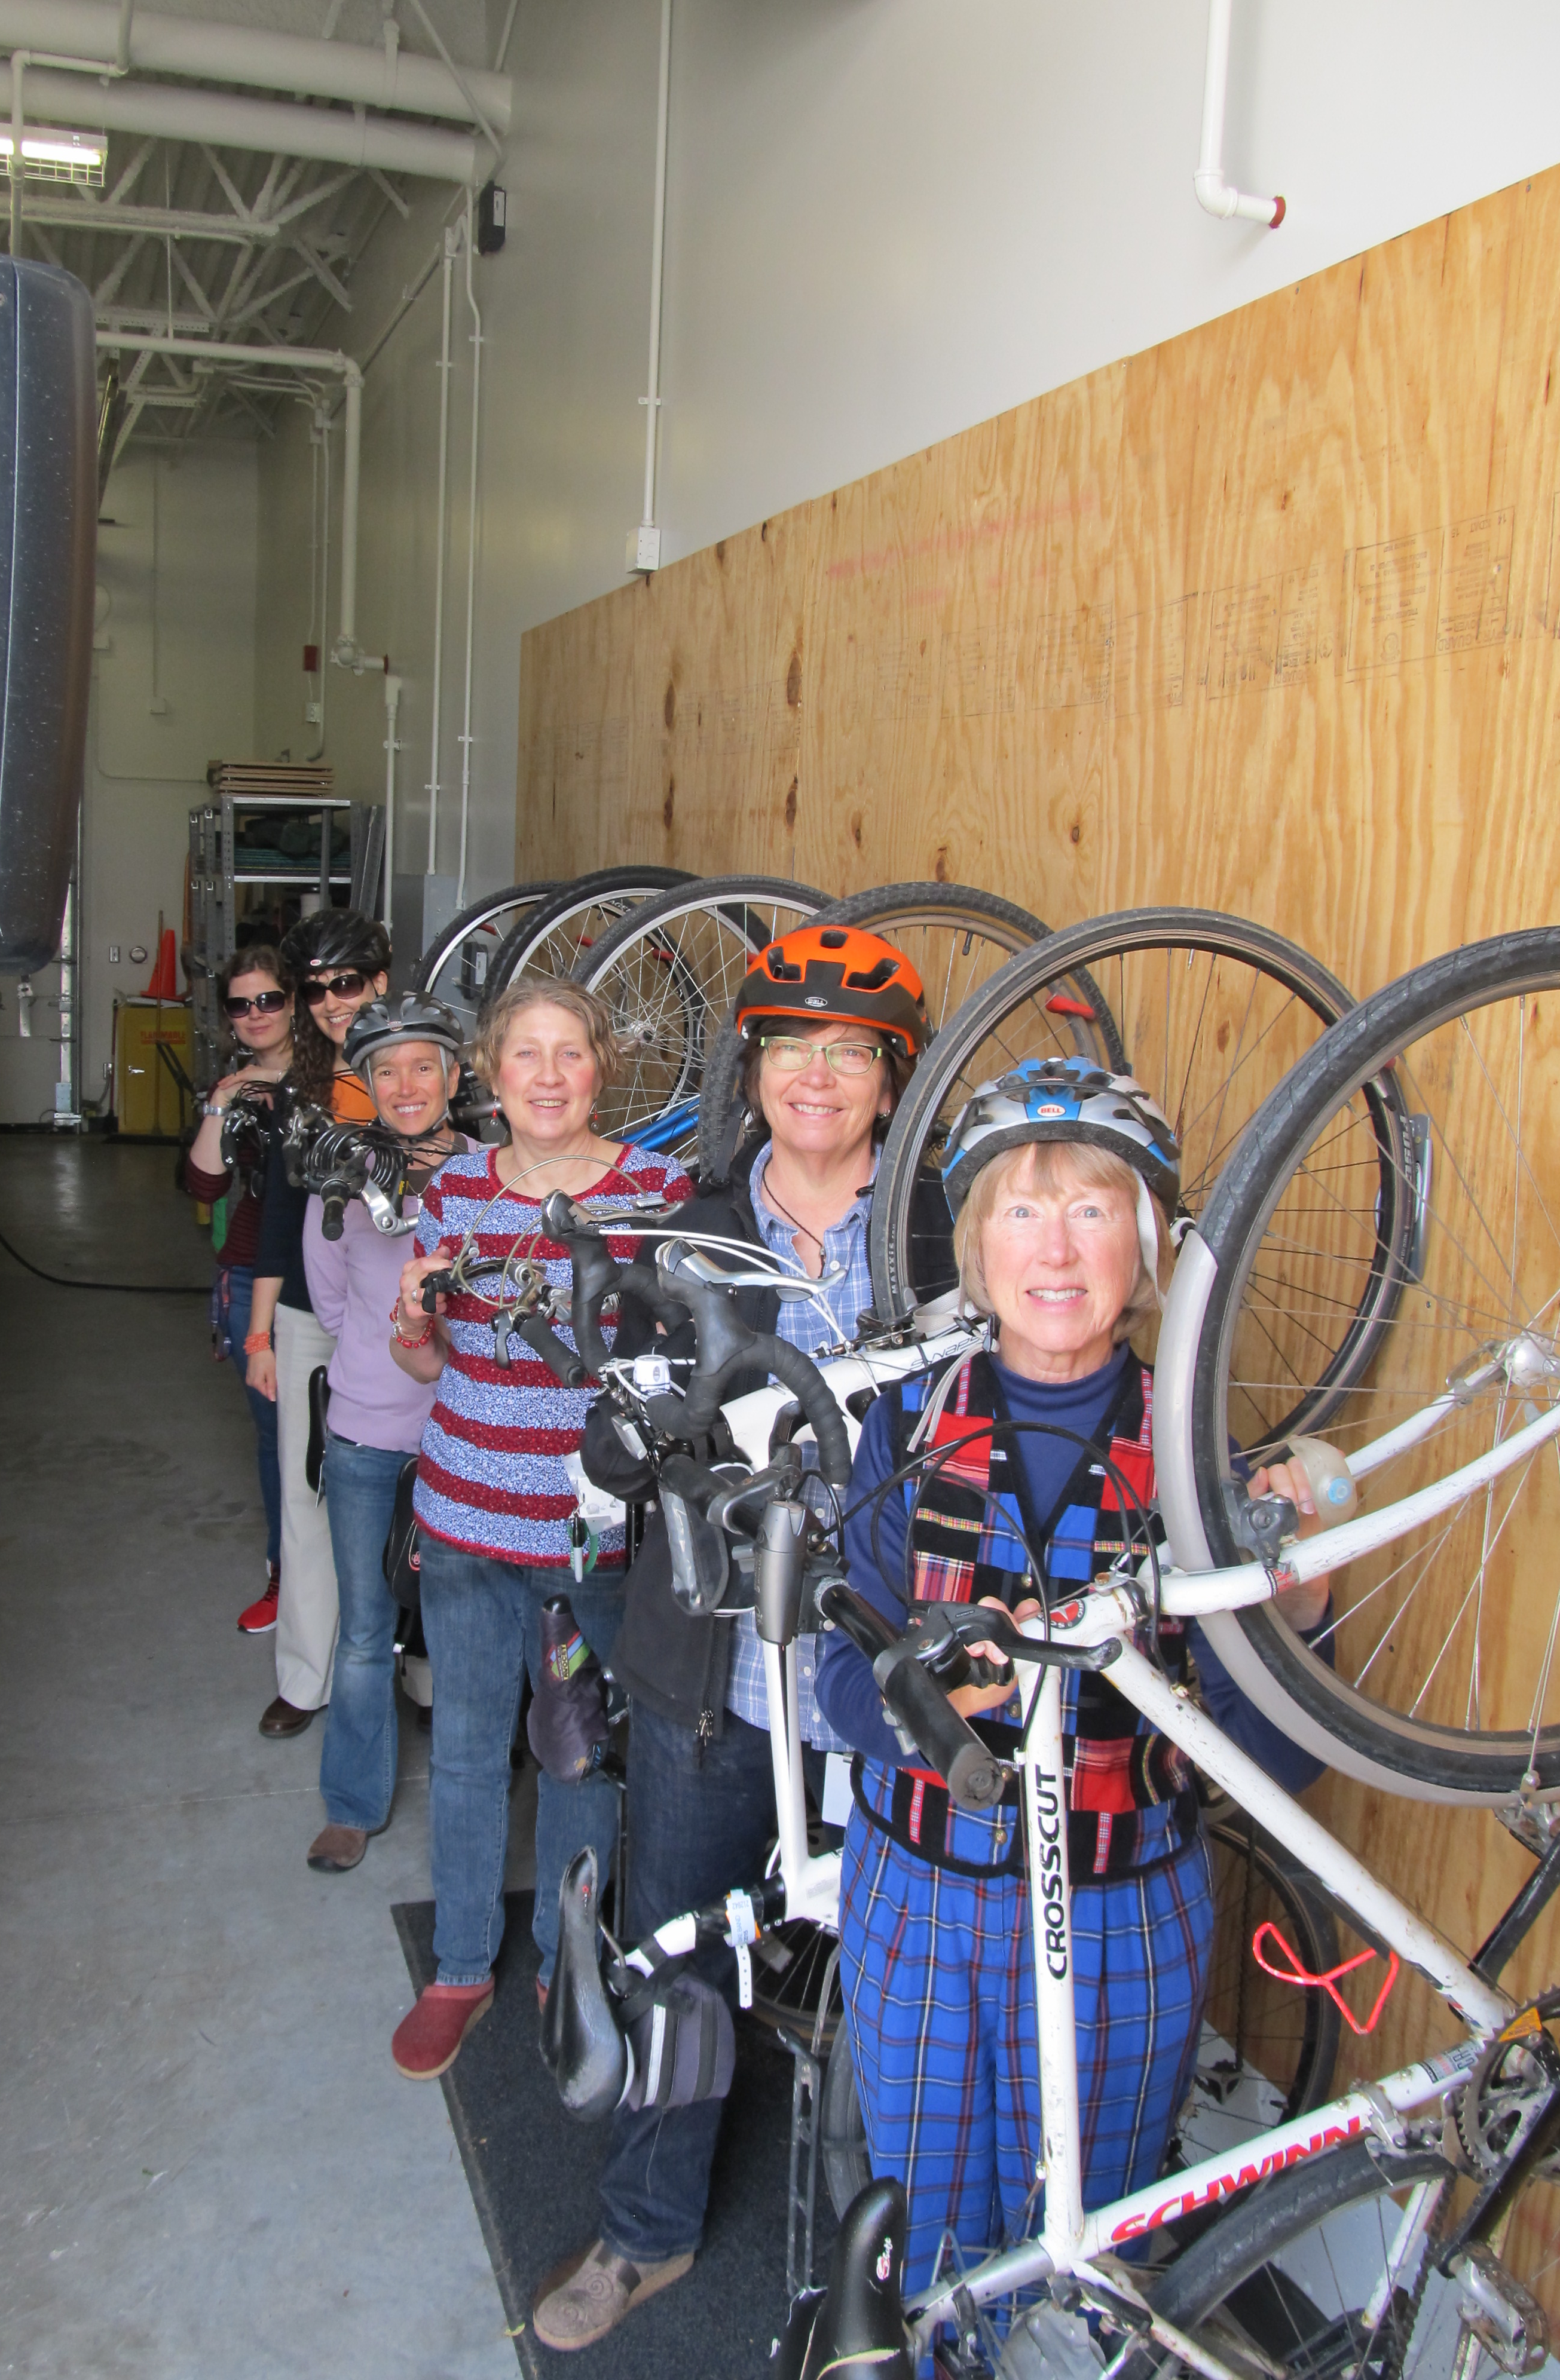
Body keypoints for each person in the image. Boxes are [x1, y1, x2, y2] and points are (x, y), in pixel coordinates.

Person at [815, 1055, 1333, 2308]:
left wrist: (1298, 1617)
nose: (1057, 1249)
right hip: (920, 1901)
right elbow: (837, 1672)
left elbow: (1275, 1762)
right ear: (977, 1244)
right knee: (928, 2246)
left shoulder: (1201, 1464)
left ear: (1147, 1247)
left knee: (1092, 2253)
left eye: (1095, 1209)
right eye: (1021, 1210)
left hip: (1123, 1917)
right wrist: (925, 1708)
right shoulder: (906, 1426)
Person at [531, 925, 953, 2354]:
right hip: (714, 1664)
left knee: (903, 1983)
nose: (816, 1078)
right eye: (790, 1050)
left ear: (890, 1083)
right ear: (753, 1073)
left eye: (848, 1053)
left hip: (890, 1661)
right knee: (673, 1949)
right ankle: (645, 2230)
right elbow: (616, 1438)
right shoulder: (681, 1228)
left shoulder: (956, 1236)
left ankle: (904, 2276)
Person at [387, 976, 693, 2083]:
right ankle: (460, 1965)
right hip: (465, 1523)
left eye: (572, 1054)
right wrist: (413, 1317)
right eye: (528, 1055)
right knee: (466, 1753)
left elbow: (682, 1373)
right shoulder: (458, 1188)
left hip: (591, 1544)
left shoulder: (659, 1192)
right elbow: (426, 1363)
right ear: (492, 1071)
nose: (551, 1077)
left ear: (602, 1066)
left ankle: (568, 1962)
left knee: (579, 1765)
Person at [299, 994, 467, 1874]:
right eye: (386, 1069)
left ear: (454, 1074)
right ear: (365, 1084)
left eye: (423, 1065)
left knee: (471, 1624)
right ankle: (353, 1806)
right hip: (369, 1434)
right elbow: (332, 1308)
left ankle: (474, 1802)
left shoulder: (491, 1174)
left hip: (472, 1438)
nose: (407, 1085)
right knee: (367, 1631)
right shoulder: (340, 1188)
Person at [244, 908, 390, 1737]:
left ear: (381, 975)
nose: (335, 1002)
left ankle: (419, 1674)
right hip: (308, 1312)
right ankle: (307, 1678)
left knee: (417, 1495)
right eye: (316, 989)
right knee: (308, 1492)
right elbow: (275, 1217)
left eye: (348, 982)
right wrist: (262, 1334)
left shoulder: (431, 1068)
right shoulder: (299, 1092)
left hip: (406, 1315)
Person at [183, 944, 295, 1611]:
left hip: (327, 1277)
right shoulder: (236, 1090)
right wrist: (222, 1105)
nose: (255, 1014)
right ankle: (284, 1573)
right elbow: (203, 1182)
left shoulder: (334, 1077)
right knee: (278, 1435)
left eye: (269, 999)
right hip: (253, 1275)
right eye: (241, 1004)